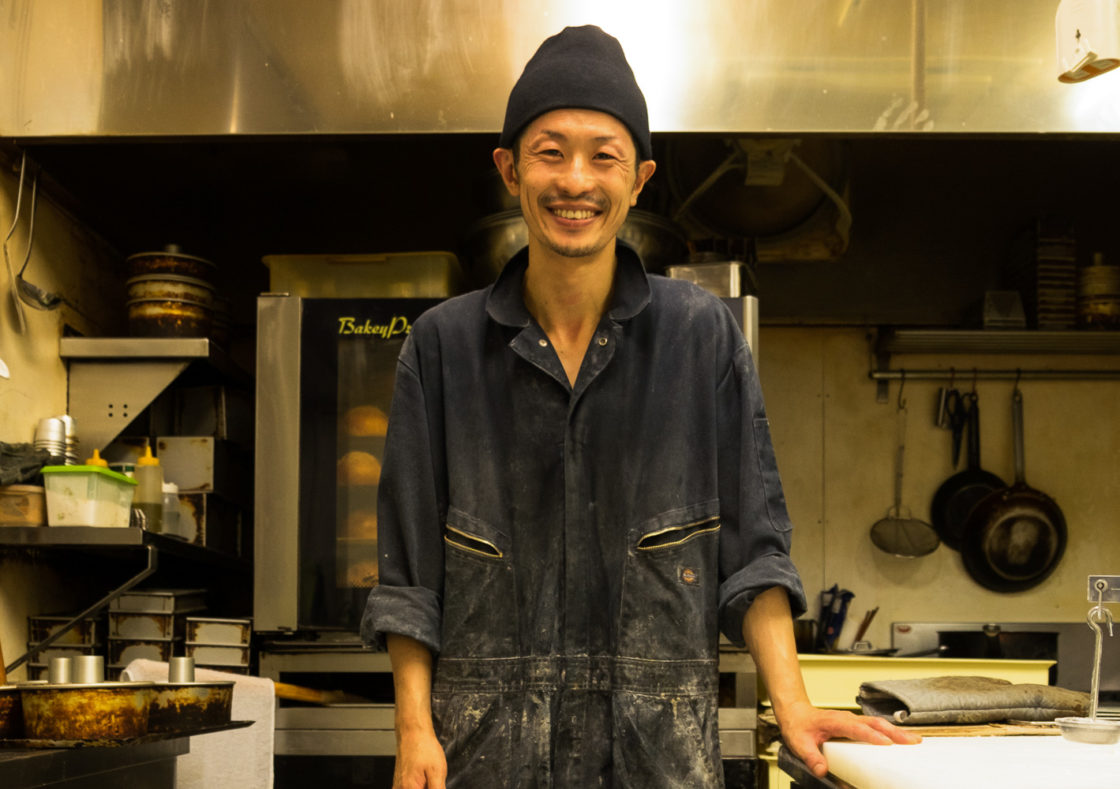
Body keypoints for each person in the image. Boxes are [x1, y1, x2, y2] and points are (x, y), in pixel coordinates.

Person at [361, 24, 919, 789]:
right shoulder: (441, 349)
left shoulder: (700, 337)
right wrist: (414, 730)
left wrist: (791, 703)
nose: (576, 181)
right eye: (551, 151)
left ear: (640, 177)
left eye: (605, 155)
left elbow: (754, 552)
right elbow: (408, 576)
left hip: (658, 762)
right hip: (485, 759)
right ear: (510, 169)